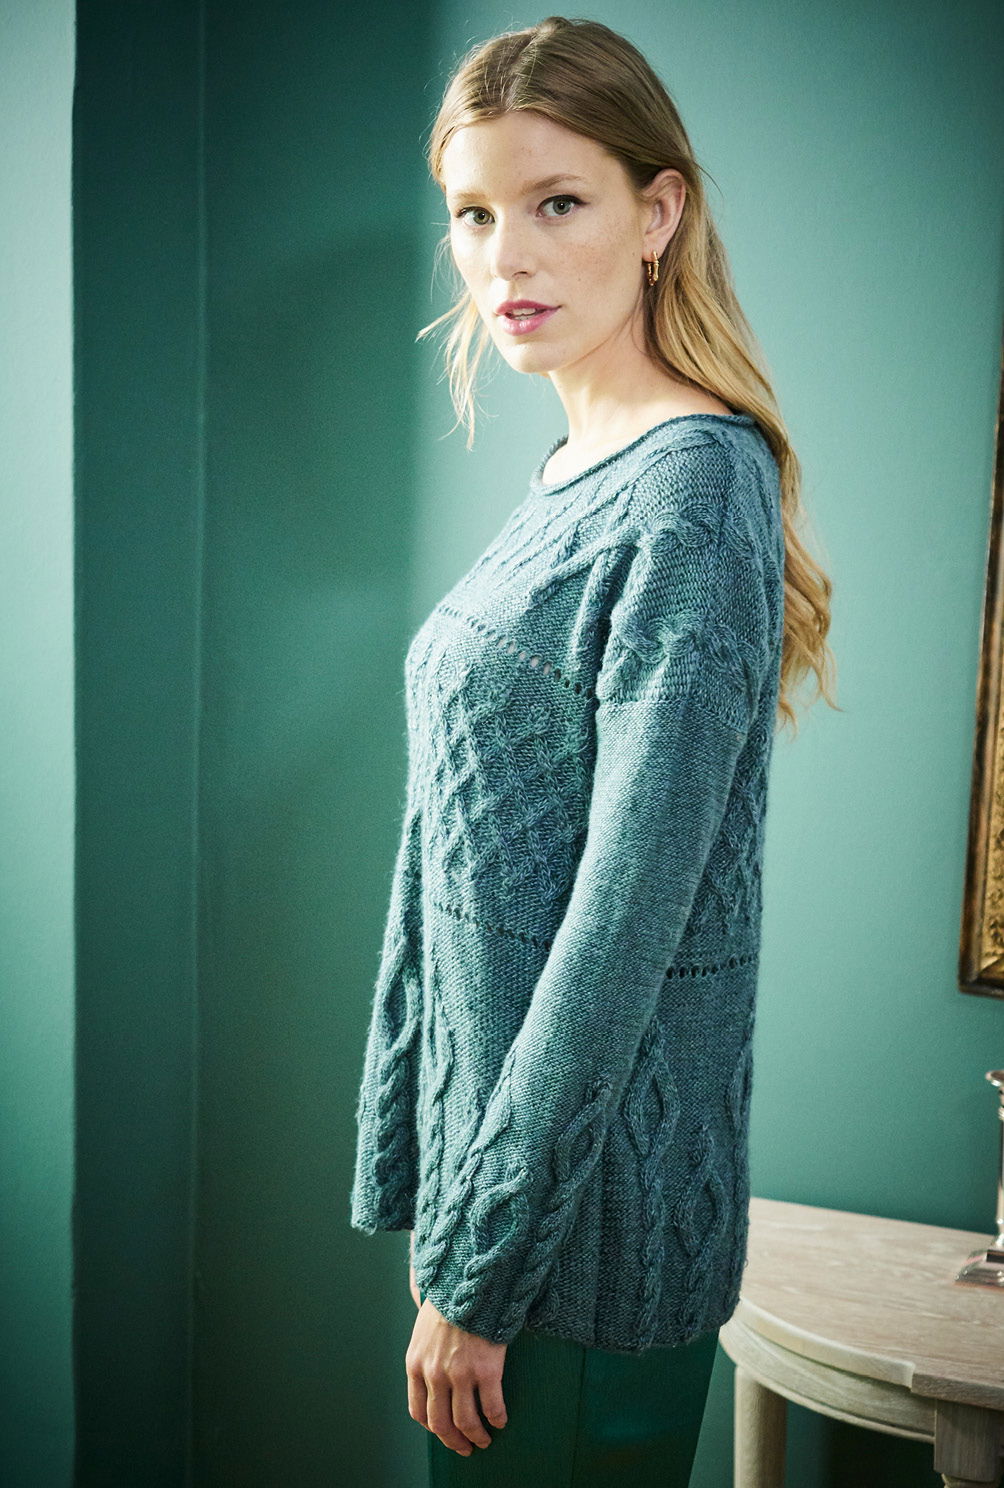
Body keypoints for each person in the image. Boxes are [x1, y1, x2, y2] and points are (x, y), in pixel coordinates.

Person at [350, 15, 836, 1485]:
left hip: (576, 1255)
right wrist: (437, 1183)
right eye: (475, 214)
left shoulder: (692, 489)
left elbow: (623, 927)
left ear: (657, 211)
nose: (508, 257)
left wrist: (483, 1263)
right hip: (506, 1218)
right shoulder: (576, 471)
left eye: (558, 202)